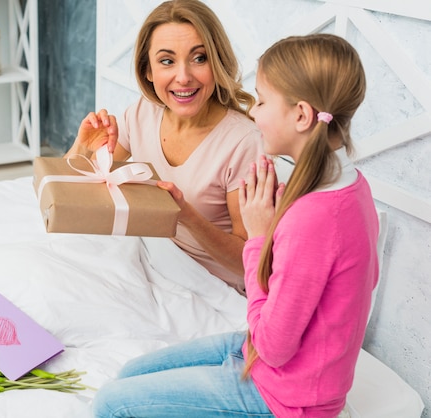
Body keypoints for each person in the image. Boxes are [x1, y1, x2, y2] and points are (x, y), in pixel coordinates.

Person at [92, 33, 379, 418]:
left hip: (287, 397)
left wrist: (260, 237)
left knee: (112, 405)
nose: (254, 112)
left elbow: (275, 345)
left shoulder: (318, 214)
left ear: (301, 115)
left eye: (261, 100)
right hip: (260, 354)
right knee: (127, 374)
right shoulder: (347, 185)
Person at [65, 0, 261, 294]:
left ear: (217, 63)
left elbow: (250, 264)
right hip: (154, 261)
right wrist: (83, 146)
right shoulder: (144, 112)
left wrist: (187, 216)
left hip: (211, 286)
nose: (183, 77)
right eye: (167, 61)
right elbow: (71, 194)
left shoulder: (243, 142)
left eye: (199, 58)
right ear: (148, 71)